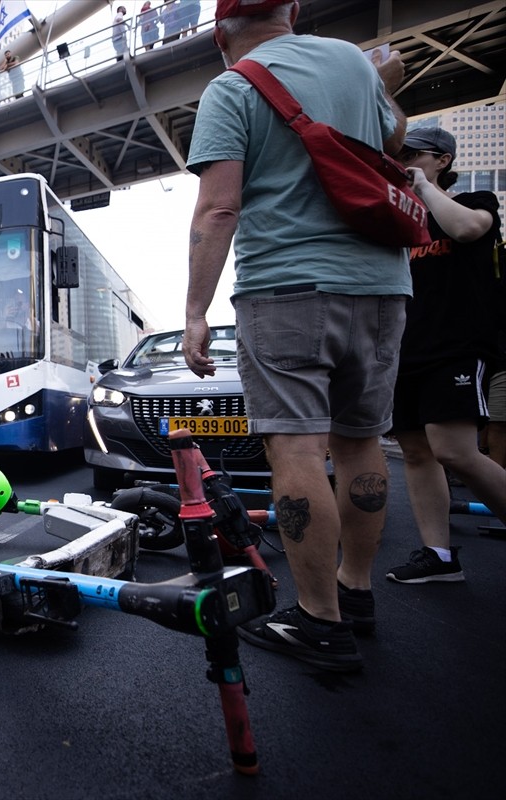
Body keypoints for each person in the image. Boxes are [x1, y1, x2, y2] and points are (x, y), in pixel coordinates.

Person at [182, 0, 410, 672]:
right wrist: (379, 87)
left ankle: (319, 622)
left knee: (297, 448)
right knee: (361, 440)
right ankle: (356, 593)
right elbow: (394, 144)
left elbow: (220, 206)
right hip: (381, 283)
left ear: (221, 32)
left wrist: (196, 311)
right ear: (291, 11)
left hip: (286, 286)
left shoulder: (232, 86)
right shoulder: (349, 61)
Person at [383, 127, 506, 583]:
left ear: (443, 160)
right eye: (401, 155)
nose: (405, 159)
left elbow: (468, 229)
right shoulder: (401, 218)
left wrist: (421, 186)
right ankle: (438, 554)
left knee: (454, 449)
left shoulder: (476, 201)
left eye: (415, 154)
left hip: (456, 345)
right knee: (417, 451)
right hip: (406, 349)